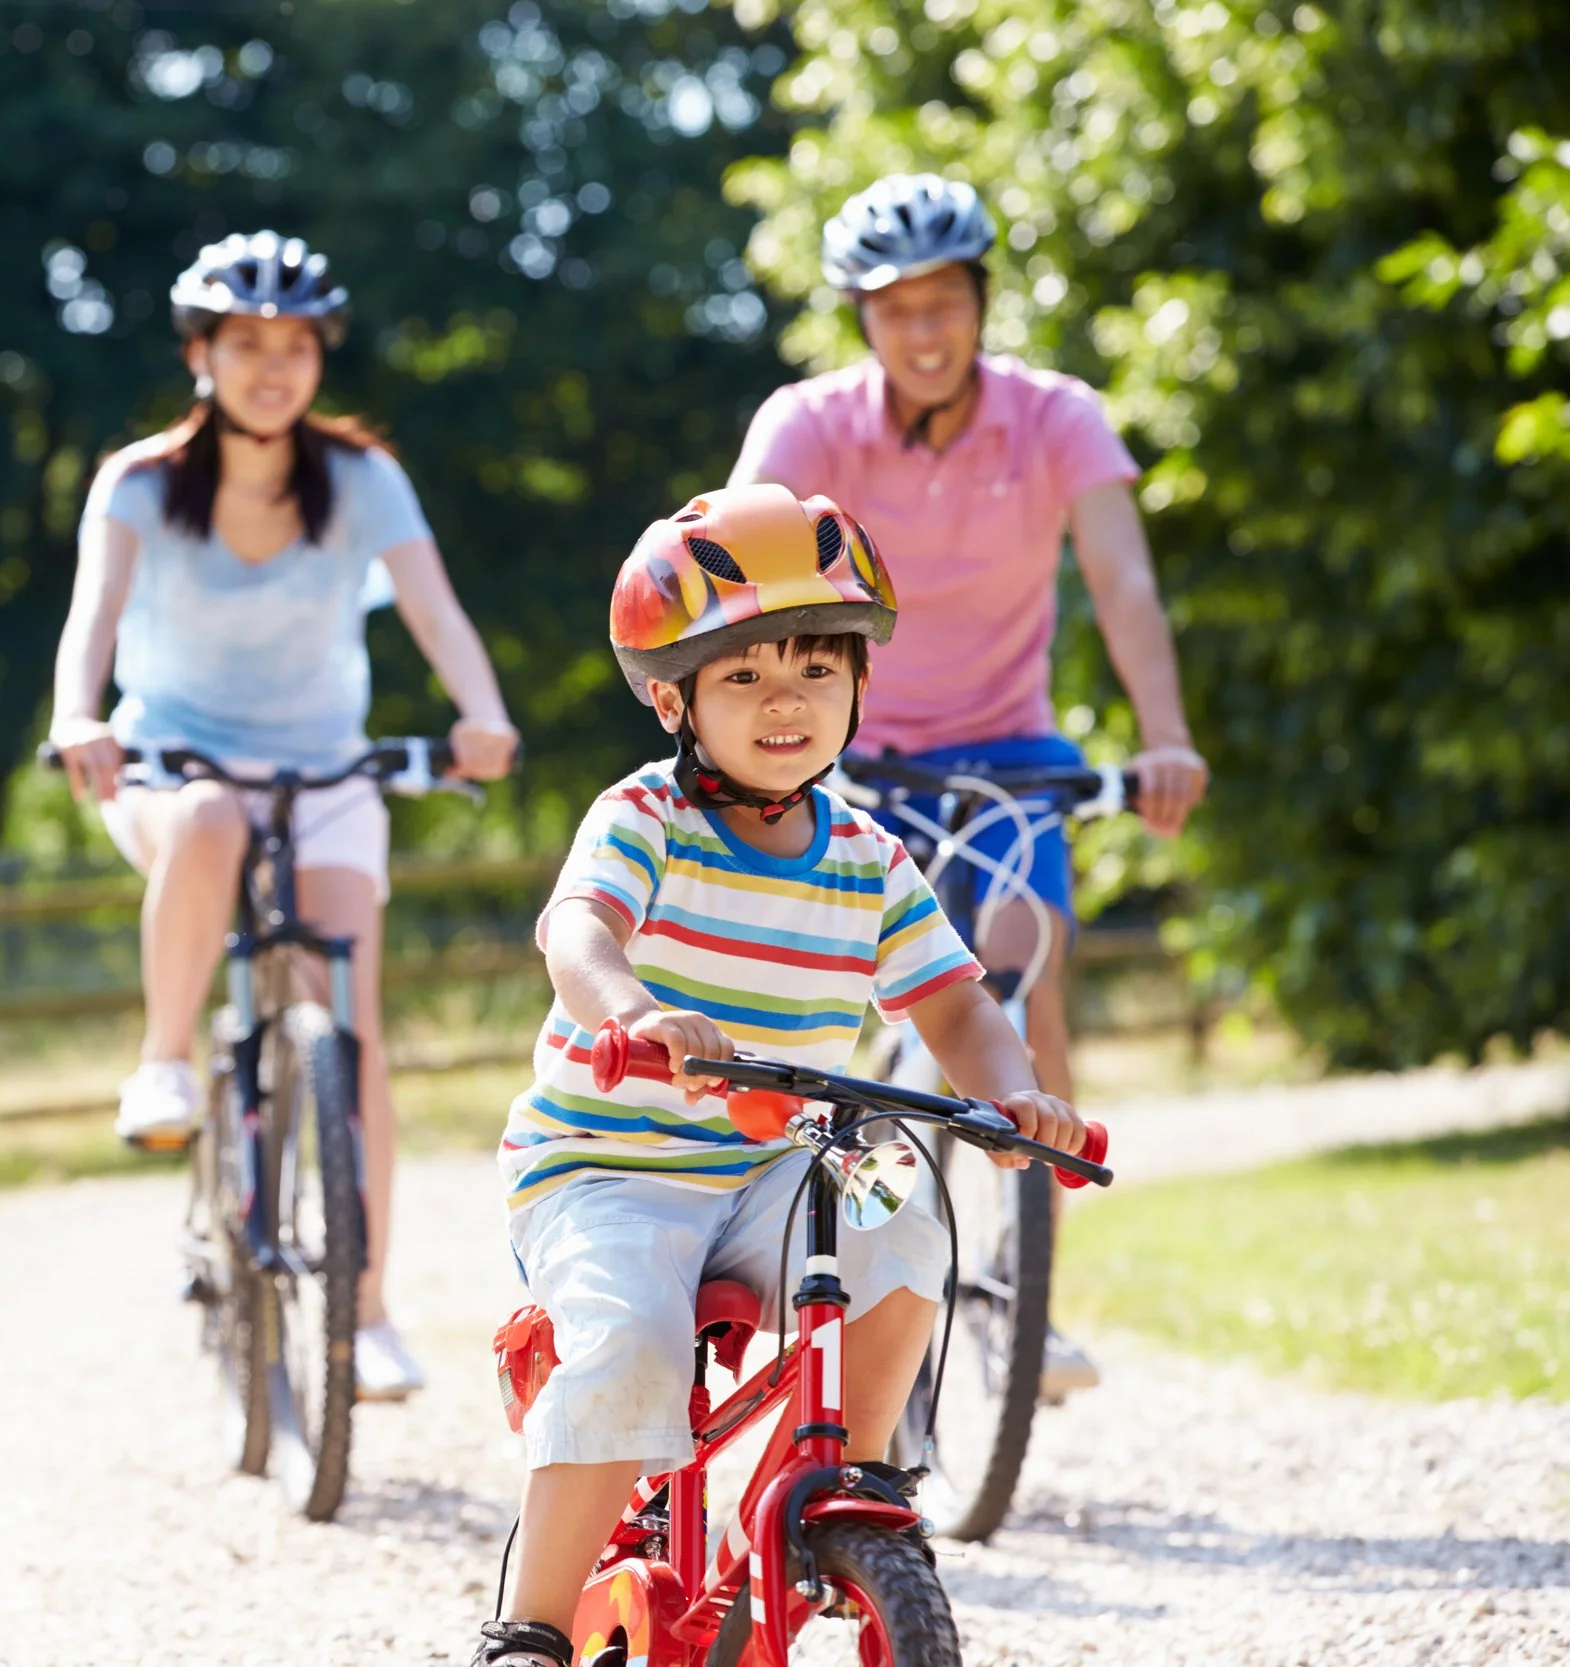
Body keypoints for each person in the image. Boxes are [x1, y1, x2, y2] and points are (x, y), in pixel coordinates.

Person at [469, 485, 1085, 1667]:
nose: (785, 698)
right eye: (742, 674)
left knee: (902, 1206)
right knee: (631, 1342)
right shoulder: (641, 815)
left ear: (859, 683)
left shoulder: (866, 854)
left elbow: (955, 999)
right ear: (673, 698)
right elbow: (576, 932)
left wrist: (1011, 1091)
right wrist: (636, 1010)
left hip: (778, 1161)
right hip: (610, 1166)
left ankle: (847, 1479)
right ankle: (529, 1627)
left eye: (814, 665)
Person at [729, 172, 1208, 1397]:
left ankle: (1019, 1286)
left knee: (1019, 951)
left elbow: (1124, 586)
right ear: (861, 320)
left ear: (981, 303)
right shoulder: (810, 422)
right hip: (854, 753)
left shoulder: (1055, 418)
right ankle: (856, 1249)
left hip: (1007, 749)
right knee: (844, 1011)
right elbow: (740, 565)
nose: (925, 331)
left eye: (945, 302)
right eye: (896, 309)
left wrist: (1163, 734)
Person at [48, 230, 519, 1402]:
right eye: (245, 344)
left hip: (324, 773)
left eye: (295, 346)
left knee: (346, 1025)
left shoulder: (361, 479)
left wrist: (482, 711)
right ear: (200, 353)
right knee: (206, 821)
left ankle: (364, 1312)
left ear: (319, 359)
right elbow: (91, 618)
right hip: (172, 762)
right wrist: (77, 716)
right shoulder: (142, 483)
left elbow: (436, 610)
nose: (272, 367)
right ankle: (164, 1064)